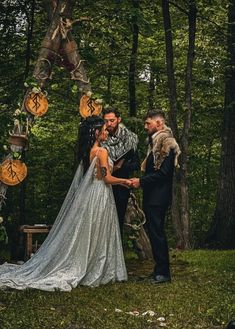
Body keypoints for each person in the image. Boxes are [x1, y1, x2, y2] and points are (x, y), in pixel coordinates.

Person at [0, 116, 131, 291]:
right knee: (98, 229)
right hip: (101, 194)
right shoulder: (102, 151)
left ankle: (89, 266)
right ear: (96, 133)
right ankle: (95, 268)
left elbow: (99, 174)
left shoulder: (89, 152)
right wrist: (126, 182)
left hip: (91, 193)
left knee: (90, 230)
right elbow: (106, 178)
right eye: (104, 130)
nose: (107, 132)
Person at [131, 110, 181, 284]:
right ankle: (158, 270)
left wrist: (141, 181)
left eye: (148, 123)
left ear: (159, 123)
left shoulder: (167, 142)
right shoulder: (154, 142)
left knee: (157, 233)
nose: (145, 127)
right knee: (154, 232)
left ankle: (163, 273)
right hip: (152, 195)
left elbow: (164, 174)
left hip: (159, 196)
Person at [102, 107, 140, 237]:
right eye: (106, 121)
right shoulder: (101, 136)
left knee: (117, 220)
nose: (109, 124)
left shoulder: (130, 138)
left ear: (118, 119)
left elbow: (137, 164)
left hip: (121, 186)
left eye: (112, 120)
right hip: (102, 185)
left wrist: (121, 167)